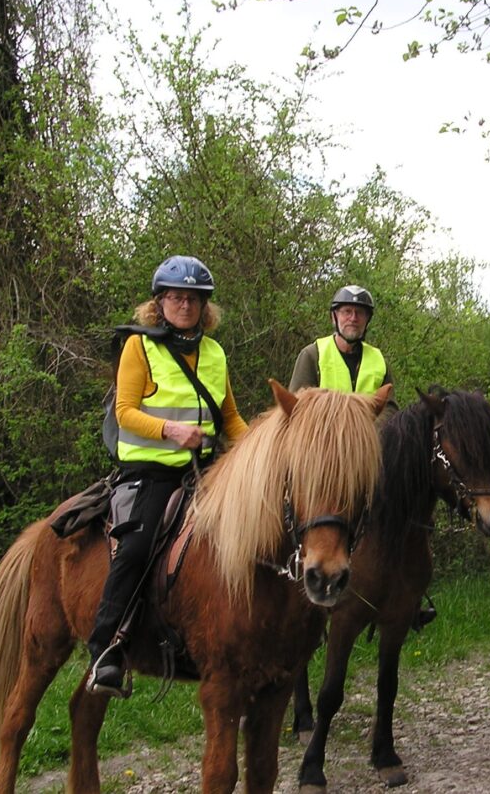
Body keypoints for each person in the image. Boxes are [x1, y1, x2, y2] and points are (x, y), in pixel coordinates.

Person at [87, 255, 249, 695]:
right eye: (176, 297)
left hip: (206, 472)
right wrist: (171, 430)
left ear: (204, 306)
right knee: (138, 547)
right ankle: (106, 649)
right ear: (159, 303)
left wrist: (261, 451)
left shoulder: (214, 353)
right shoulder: (139, 348)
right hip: (151, 471)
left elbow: (230, 419)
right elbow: (125, 412)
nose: (185, 305)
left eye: (193, 299)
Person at [288, 284, 398, 416]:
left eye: (360, 313)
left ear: (367, 320)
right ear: (334, 316)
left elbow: (390, 410)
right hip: (323, 428)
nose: (353, 318)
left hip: (369, 429)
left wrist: (367, 425)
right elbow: (296, 407)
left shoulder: (379, 361)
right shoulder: (313, 355)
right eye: (347, 311)